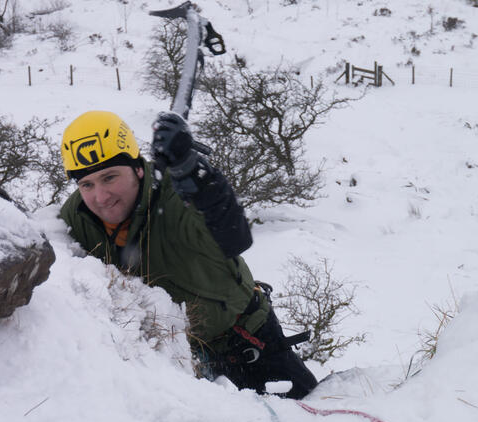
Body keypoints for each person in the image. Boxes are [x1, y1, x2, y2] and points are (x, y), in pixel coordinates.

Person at [59, 110, 318, 399]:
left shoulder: (176, 195)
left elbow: (234, 238)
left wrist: (195, 172)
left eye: (109, 177)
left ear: (138, 168)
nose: (101, 197)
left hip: (247, 341)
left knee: (309, 419)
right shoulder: (77, 216)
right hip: (175, 356)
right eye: (87, 184)